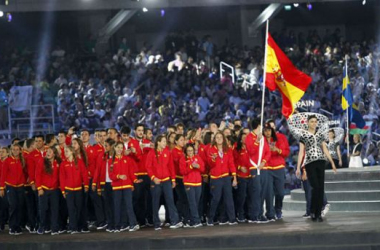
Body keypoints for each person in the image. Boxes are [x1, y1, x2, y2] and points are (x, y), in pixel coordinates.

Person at [290, 114, 337, 222]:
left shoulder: (320, 134)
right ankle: (313, 210)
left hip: (320, 161)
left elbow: (325, 149)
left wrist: (332, 162)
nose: (314, 123)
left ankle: (318, 213)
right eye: (312, 121)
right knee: (315, 186)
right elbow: (301, 152)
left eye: (315, 121)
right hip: (309, 162)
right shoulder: (304, 135)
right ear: (308, 123)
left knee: (320, 188)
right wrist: (298, 167)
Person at [145, 135, 183, 230]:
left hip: (166, 180)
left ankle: (175, 221)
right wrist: (153, 178)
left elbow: (171, 167)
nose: (165, 143)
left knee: (170, 201)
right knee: (155, 202)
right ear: (158, 142)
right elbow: (148, 167)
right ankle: (156, 223)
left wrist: (173, 179)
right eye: (163, 141)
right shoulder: (151, 153)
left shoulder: (167, 152)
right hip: (156, 182)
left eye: (165, 142)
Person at [206, 131, 237, 226]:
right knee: (216, 199)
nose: (219, 139)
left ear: (223, 139)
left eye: (220, 137)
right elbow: (210, 165)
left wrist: (234, 177)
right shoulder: (211, 150)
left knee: (229, 198)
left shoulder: (228, 150)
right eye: (217, 137)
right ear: (214, 139)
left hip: (226, 177)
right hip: (216, 178)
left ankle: (232, 219)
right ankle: (210, 219)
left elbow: (231, 163)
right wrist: (214, 159)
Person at [109, 142, 141, 232]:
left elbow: (131, 172)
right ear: (114, 148)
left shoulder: (127, 159)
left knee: (129, 205)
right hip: (116, 187)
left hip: (127, 186)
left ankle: (132, 224)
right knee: (117, 206)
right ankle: (117, 226)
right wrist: (119, 176)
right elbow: (111, 175)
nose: (119, 149)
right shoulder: (110, 161)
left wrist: (135, 181)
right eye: (118, 147)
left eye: (121, 147)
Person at [245, 118, 271, 223]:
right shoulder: (249, 137)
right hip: (254, 168)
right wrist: (256, 141)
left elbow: (268, 152)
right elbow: (251, 151)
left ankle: (260, 213)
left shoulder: (263, 138)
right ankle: (255, 214)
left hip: (263, 168)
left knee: (263, 192)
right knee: (256, 191)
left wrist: (264, 162)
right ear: (258, 126)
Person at [60, 146, 89, 234]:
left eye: (67, 151)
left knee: (79, 208)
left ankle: (80, 226)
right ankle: (73, 227)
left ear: (72, 152)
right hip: (69, 190)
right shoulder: (63, 164)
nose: (65, 153)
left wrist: (86, 185)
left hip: (78, 189)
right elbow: (62, 178)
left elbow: (84, 174)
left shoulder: (79, 162)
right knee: (71, 209)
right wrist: (63, 191)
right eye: (65, 151)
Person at [263, 123, 289, 220]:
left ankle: (278, 209)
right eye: (266, 130)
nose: (268, 132)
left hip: (279, 168)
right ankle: (270, 213)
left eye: (270, 129)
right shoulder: (261, 140)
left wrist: (277, 150)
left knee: (280, 193)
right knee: (269, 193)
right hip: (267, 169)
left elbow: (286, 152)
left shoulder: (281, 137)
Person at [0, 143, 27, 235]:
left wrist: (24, 182)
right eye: (13, 149)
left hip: (20, 186)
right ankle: (12, 226)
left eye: (17, 149)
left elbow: (25, 173)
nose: (15, 151)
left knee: (19, 206)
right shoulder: (7, 161)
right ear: (11, 150)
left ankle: (18, 226)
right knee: (13, 206)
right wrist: (1, 188)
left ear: (20, 151)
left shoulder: (22, 161)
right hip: (10, 186)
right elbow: (3, 175)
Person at [35, 146, 62, 235]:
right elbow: (37, 175)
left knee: (55, 209)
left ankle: (54, 228)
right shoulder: (41, 161)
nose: (48, 153)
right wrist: (39, 188)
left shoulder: (58, 162)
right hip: (44, 189)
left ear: (54, 154)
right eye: (47, 151)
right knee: (43, 209)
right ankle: (42, 226)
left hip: (54, 190)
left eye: (50, 151)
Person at [92, 138, 116, 232]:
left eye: (106, 145)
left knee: (116, 205)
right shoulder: (101, 155)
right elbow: (97, 170)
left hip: (115, 183)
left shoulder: (116, 156)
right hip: (105, 184)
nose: (104, 147)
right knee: (107, 205)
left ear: (111, 146)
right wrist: (95, 183)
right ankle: (110, 224)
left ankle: (117, 223)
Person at [179, 144, 205, 227]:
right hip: (188, 183)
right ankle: (196, 220)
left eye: (191, 150)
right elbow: (182, 172)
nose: (190, 152)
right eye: (188, 151)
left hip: (198, 183)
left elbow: (203, 169)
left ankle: (190, 220)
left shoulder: (198, 158)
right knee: (192, 202)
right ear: (185, 151)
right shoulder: (183, 159)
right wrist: (190, 166)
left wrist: (198, 166)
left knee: (196, 202)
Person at [172, 134, 190, 226]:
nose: (183, 142)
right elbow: (177, 163)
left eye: (184, 140)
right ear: (176, 141)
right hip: (178, 178)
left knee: (185, 198)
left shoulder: (183, 151)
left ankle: (185, 217)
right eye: (181, 140)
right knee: (181, 198)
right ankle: (179, 218)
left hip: (185, 178)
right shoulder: (174, 151)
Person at [233, 129, 251, 222]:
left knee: (249, 196)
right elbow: (233, 162)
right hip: (241, 176)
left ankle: (248, 214)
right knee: (242, 196)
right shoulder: (236, 148)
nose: (245, 139)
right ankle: (240, 214)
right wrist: (239, 167)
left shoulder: (250, 148)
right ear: (240, 139)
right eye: (244, 137)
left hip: (251, 175)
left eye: (247, 137)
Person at [0, 147, 9, 232]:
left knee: (6, 206)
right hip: (1, 187)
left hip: (8, 187)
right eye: (0, 152)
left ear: (7, 153)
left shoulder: (9, 162)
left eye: (3, 152)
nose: (1, 153)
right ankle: (1, 224)